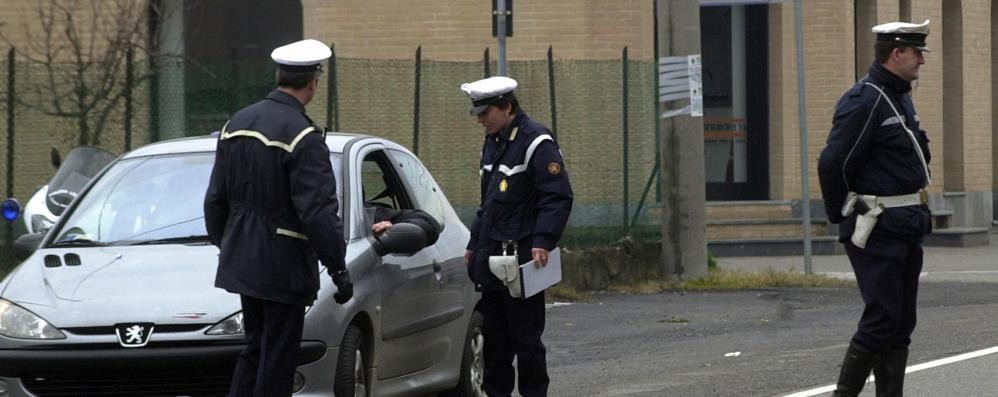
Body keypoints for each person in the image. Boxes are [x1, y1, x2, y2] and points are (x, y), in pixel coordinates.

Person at [203, 39, 352, 397]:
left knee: (254, 350)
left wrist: (230, 244)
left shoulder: (235, 124)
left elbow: (214, 200)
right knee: (278, 357)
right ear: (314, 82)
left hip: (242, 262)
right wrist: (337, 268)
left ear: (278, 75)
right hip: (283, 264)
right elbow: (317, 212)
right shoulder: (304, 136)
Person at [817, 20, 933, 397]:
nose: (922, 62)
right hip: (878, 227)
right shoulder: (864, 98)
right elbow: (834, 163)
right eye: (917, 54)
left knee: (900, 322)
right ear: (897, 53)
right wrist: (843, 213)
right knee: (882, 318)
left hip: (905, 225)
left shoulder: (899, 95)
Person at [460, 76, 574, 397]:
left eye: (486, 113)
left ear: (507, 107)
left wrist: (542, 241)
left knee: (526, 344)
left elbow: (557, 197)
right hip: (491, 257)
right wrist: (473, 246)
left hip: (523, 260)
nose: (481, 120)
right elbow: (489, 205)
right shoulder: (493, 143)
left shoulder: (536, 141)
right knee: (496, 346)